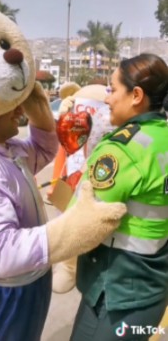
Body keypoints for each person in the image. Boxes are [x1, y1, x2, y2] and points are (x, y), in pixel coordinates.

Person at [69, 53, 168, 341]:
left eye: (113, 89)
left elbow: (78, 223)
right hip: (152, 290)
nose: (108, 99)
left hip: (115, 296)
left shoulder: (123, 150)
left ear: (136, 95)